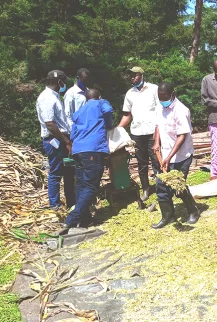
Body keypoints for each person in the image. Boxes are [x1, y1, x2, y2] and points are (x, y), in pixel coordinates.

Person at [61, 89, 113, 234]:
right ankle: (72, 218)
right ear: (99, 96)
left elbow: (73, 133)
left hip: (78, 151)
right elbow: (108, 111)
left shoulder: (79, 111)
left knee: (81, 185)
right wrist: (108, 125)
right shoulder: (100, 103)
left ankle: (84, 219)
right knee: (91, 186)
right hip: (93, 149)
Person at [151, 82, 200, 229]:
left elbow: (182, 136)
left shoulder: (181, 110)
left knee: (177, 186)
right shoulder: (160, 107)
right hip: (165, 153)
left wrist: (169, 157)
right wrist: (156, 142)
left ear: (173, 94)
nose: (162, 99)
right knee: (161, 185)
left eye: (164, 97)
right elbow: (158, 125)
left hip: (181, 155)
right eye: (159, 97)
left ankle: (193, 211)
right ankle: (168, 216)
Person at [118, 66, 161, 201]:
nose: (132, 77)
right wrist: (117, 129)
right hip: (137, 132)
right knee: (142, 164)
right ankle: (146, 190)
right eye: (130, 75)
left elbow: (161, 110)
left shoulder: (154, 89)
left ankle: (161, 189)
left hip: (152, 131)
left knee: (156, 161)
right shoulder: (129, 93)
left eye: (135, 75)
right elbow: (127, 114)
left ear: (141, 75)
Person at [36, 70, 75, 210]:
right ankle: (55, 205)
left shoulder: (55, 96)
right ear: (59, 81)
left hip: (62, 139)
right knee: (56, 173)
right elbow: (50, 124)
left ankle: (72, 202)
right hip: (55, 141)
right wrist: (66, 141)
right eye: (63, 82)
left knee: (69, 172)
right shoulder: (47, 98)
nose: (64, 85)